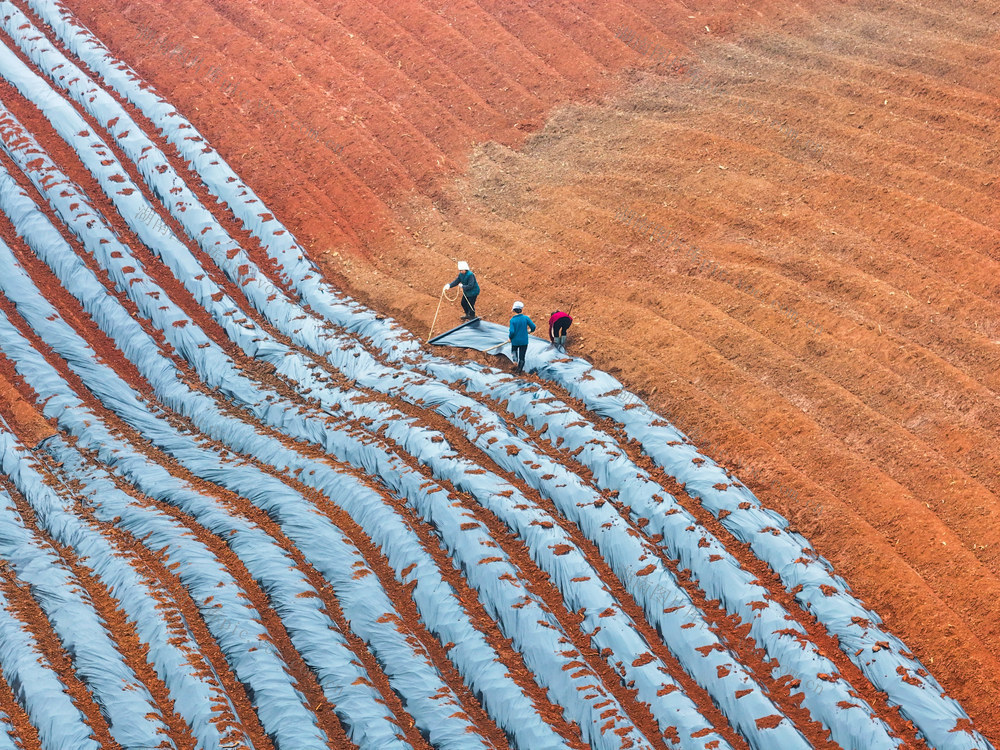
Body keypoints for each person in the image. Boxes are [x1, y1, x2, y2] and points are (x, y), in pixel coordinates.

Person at [508, 301, 536, 373]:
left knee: (514, 350)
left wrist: (510, 338)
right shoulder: (526, 318)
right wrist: (530, 331)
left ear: (514, 310)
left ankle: (515, 361)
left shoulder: (512, 320)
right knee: (522, 357)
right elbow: (533, 327)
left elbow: (512, 332)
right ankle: (519, 371)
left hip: (515, 341)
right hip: (524, 341)